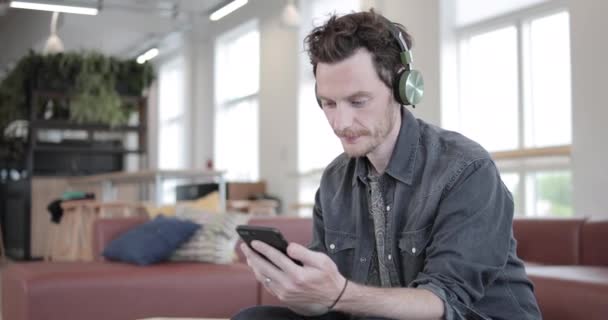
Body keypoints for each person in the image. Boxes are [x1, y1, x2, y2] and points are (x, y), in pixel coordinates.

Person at [233, 9, 541, 320]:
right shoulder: (334, 180)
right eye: (329, 103)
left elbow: (446, 304)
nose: (340, 123)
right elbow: (328, 301)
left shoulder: (466, 169)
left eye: (358, 101)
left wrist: (340, 293)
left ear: (402, 88)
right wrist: (298, 289)